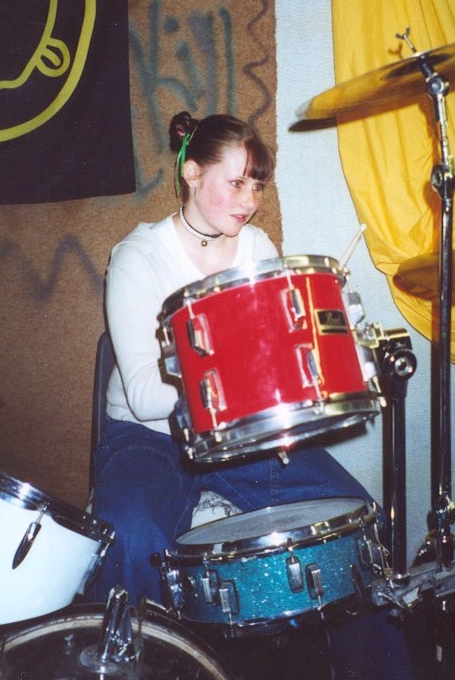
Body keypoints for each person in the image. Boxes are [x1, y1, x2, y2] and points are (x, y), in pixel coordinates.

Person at [89, 112, 413, 679]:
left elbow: (275, 365)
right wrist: (240, 369)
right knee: (132, 533)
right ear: (192, 173)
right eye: (236, 182)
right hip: (150, 438)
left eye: (257, 185)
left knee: (357, 519)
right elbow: (143, 395)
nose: (250, 201)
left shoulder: (256, 245)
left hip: (241, 435)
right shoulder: (137, 255)